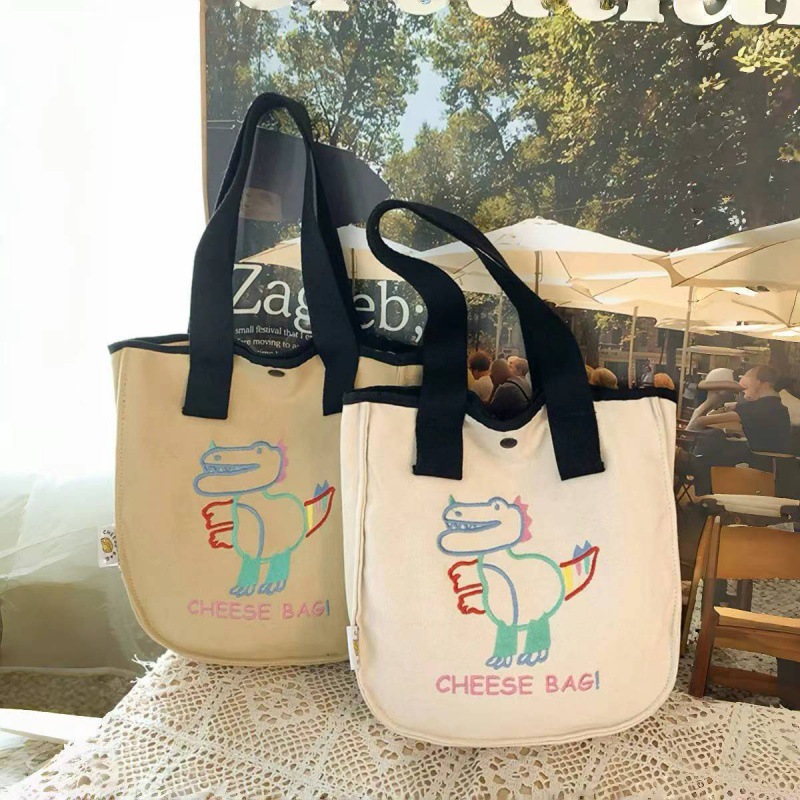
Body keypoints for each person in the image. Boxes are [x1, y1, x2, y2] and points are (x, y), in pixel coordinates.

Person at [688, 365, 791, 496]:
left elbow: (700, 421)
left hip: (761, 463)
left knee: (707, 449)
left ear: (761, 383)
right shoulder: (775, 405)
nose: (744, 392)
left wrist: (710, 401)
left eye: (746, 388)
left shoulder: (758, 407)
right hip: (771, 463)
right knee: (714, 439)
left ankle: (706, 497)